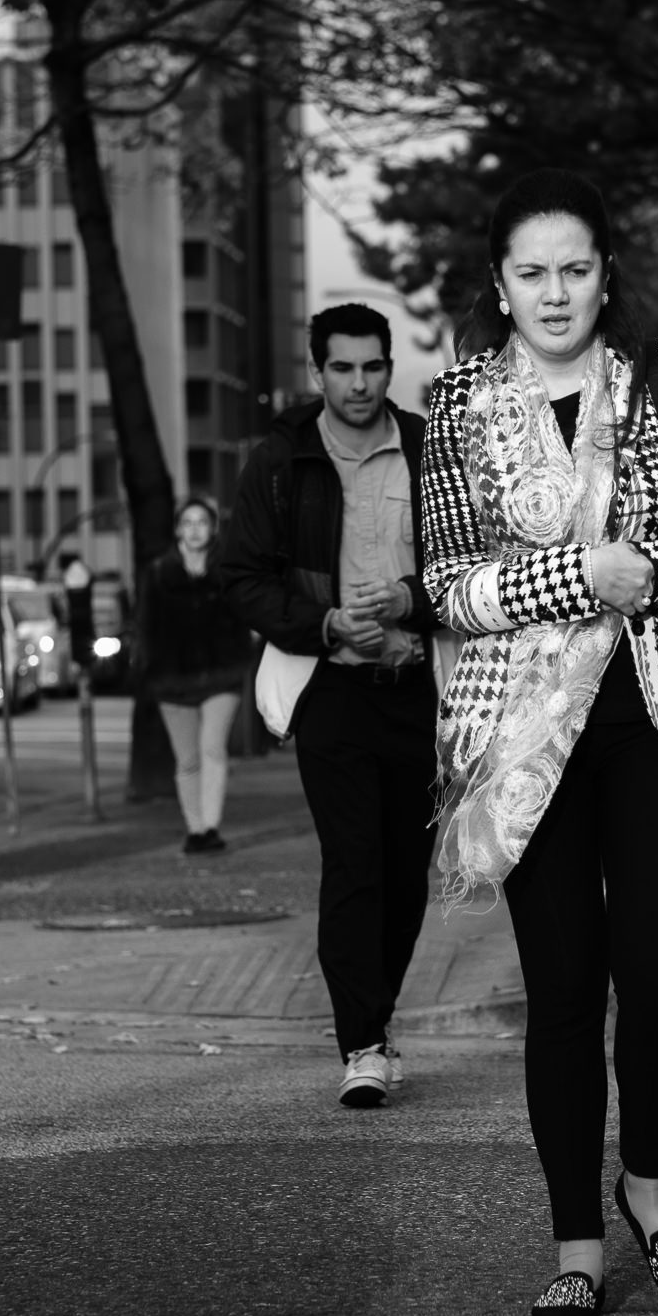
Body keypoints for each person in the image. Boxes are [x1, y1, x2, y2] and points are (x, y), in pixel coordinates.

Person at [420, 169, 658, 1316]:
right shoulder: (461, 401)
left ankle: (649, 1191)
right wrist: (579, 572)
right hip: (525, 735)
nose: (554, 291)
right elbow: (444, 588)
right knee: (564, 993)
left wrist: (652, 569)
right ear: (499, 287)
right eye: (531, 273)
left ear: (603, 277)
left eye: (574, 269)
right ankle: (576, 1242)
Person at [217, 303, 440, 1106]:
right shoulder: (281, 460)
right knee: (355, 863)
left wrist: (414, 599)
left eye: (372, 366)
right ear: (318, 372)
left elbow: (467, 564)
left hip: (419, 688)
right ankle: (363, 1042)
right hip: (331, 689)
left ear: (389, 367)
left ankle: (375, 1016)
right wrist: (321, 621)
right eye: (341, 367)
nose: (358, 382)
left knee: (407, 870)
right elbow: (241, 575)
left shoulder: (426, 448)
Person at [135, 494, 253, 854]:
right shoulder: (159, 573)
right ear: (177, 530)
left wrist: (241, 656)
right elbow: (146, 626)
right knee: (187, 758)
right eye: (187, 522)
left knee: (212, 749)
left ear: (213, 528)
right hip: (173, 679)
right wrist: (150, 670)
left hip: (222, 675)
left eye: (202, 522)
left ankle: (210, 827)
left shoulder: (228, 569)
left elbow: (244, 615)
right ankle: (195, 828)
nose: (195, 529)